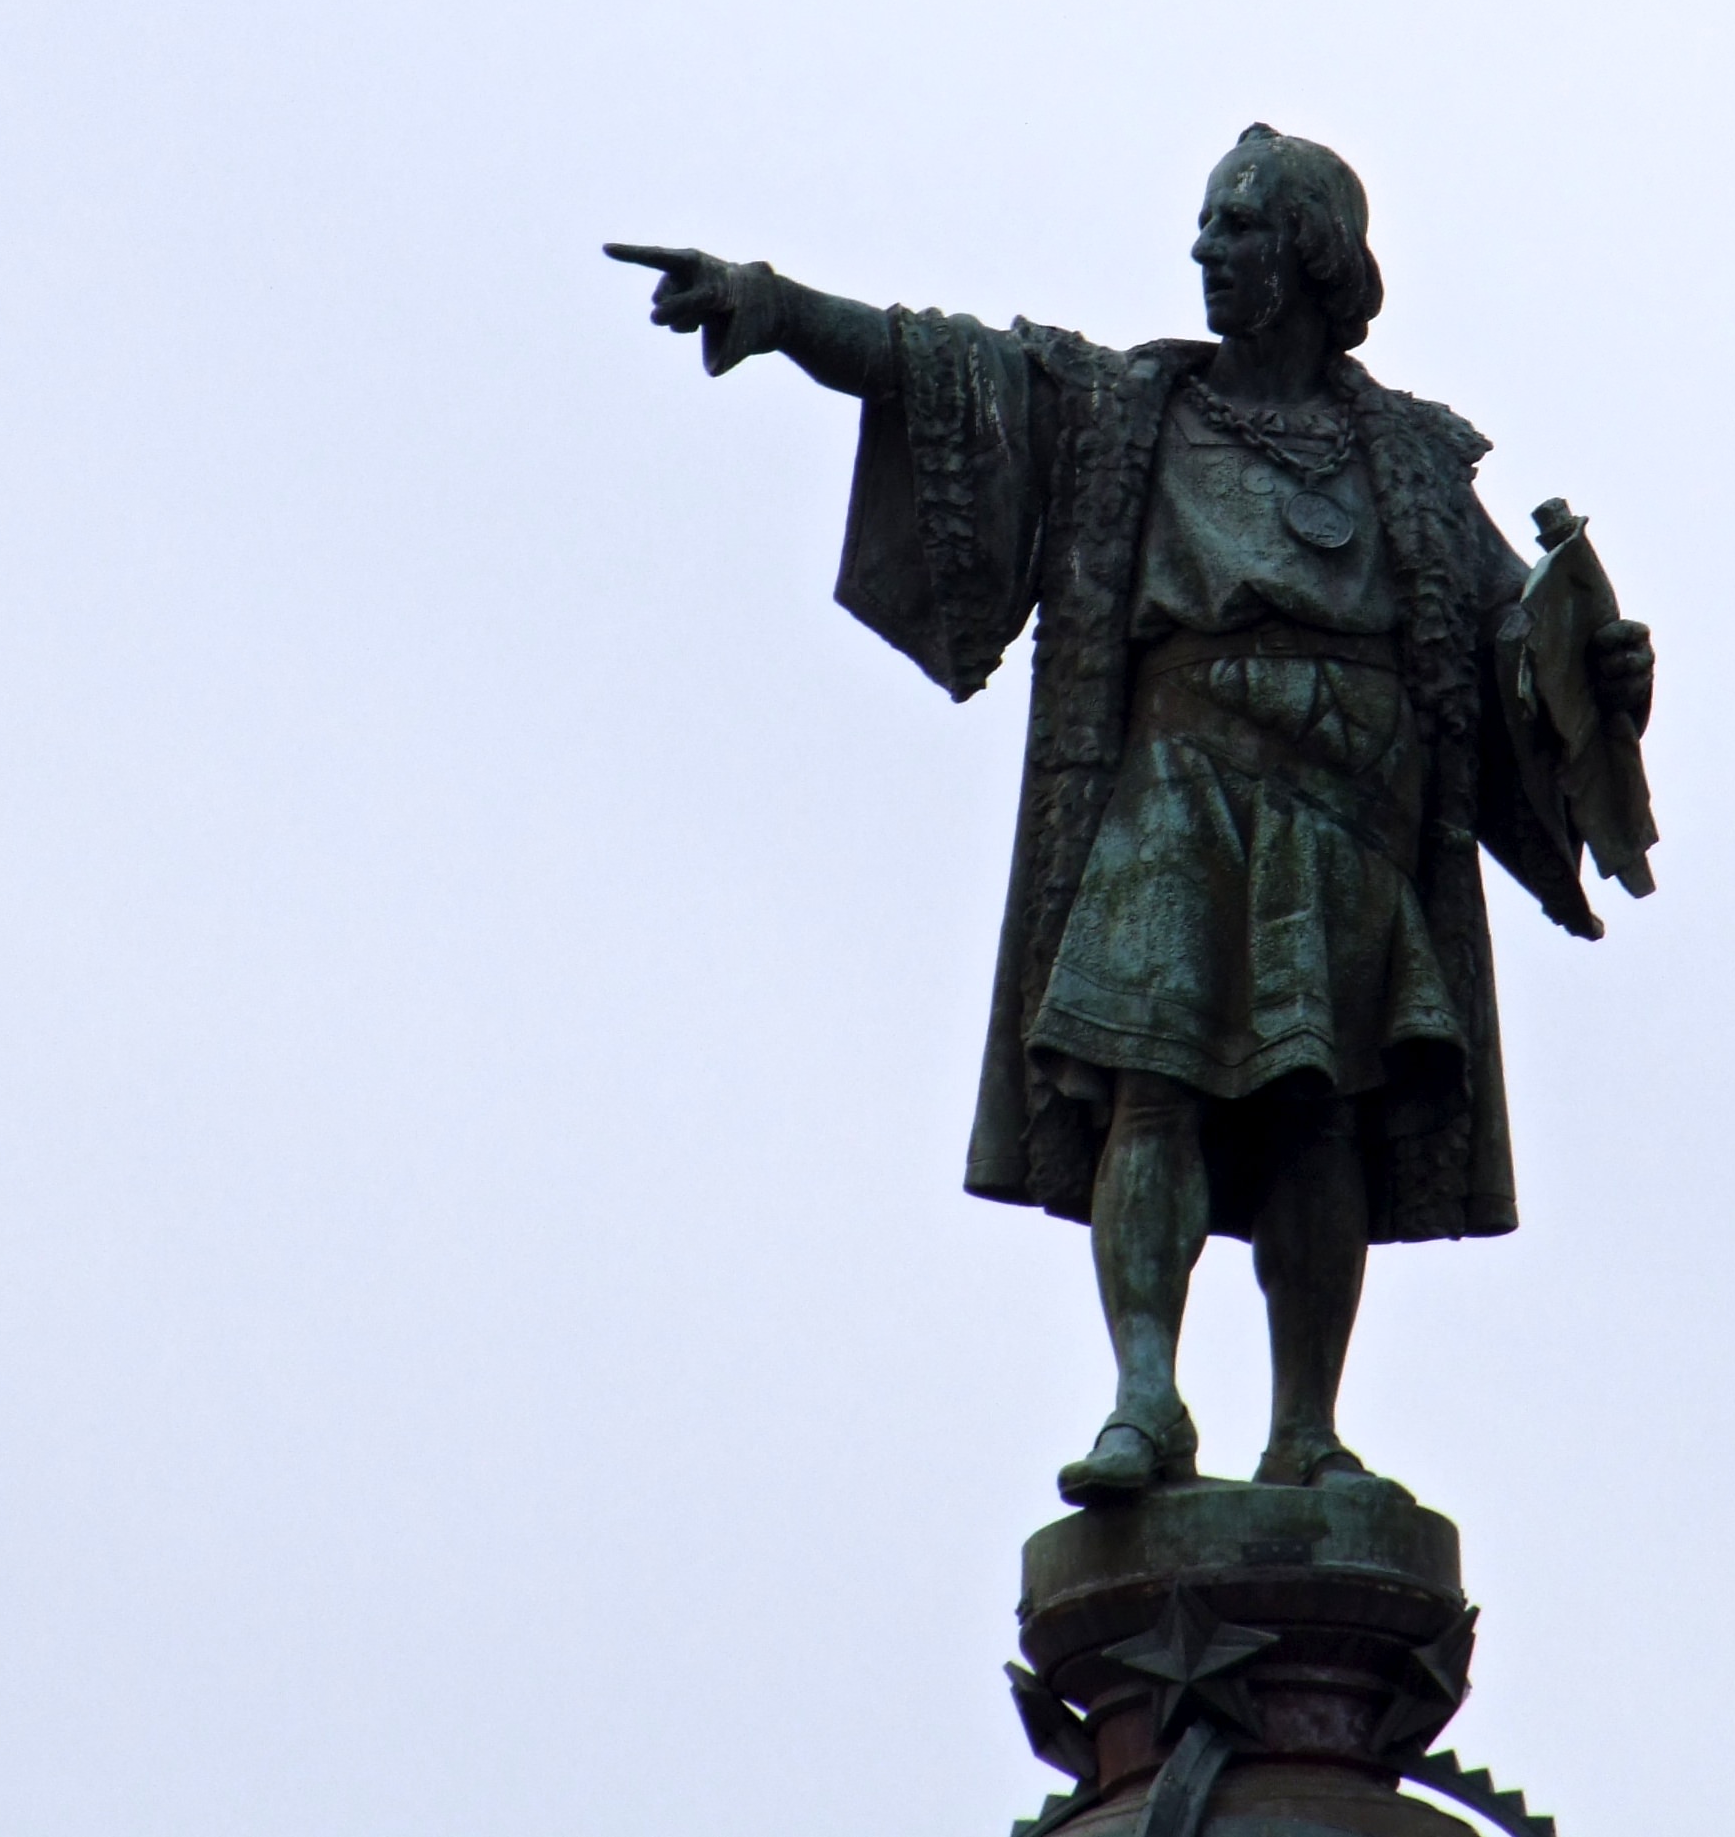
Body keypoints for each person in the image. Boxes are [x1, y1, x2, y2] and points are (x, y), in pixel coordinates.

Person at [609, 127, 1656, 1506]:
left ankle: (1304, 1433)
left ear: (1310, 255)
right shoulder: (1125, 411)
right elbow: (940, 367)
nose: (1204, 249)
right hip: (1182, 781)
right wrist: (774, 305)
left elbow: (1515, 641)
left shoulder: (1404, 459)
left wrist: (1603, 666)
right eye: (1206, 224)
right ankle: (1145, 1399)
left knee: (1317, 1113)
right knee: (1151, 1091)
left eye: (1236, 226)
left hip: (1351, 817)